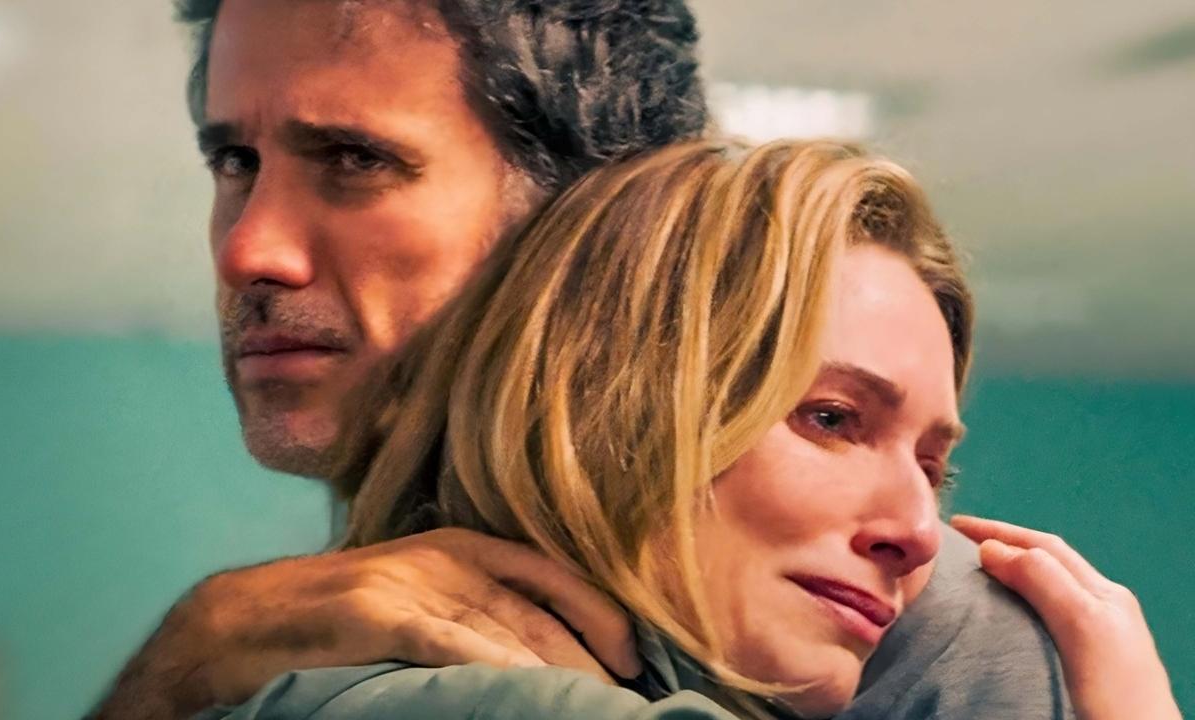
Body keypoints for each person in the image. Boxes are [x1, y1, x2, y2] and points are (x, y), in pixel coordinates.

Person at [85, 1, 1175, 718]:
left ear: (598, 218)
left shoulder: (947, 629)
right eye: (235, 160)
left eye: (355, 160)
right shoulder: (311, 632)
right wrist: (177, 669)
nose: (247, 250)